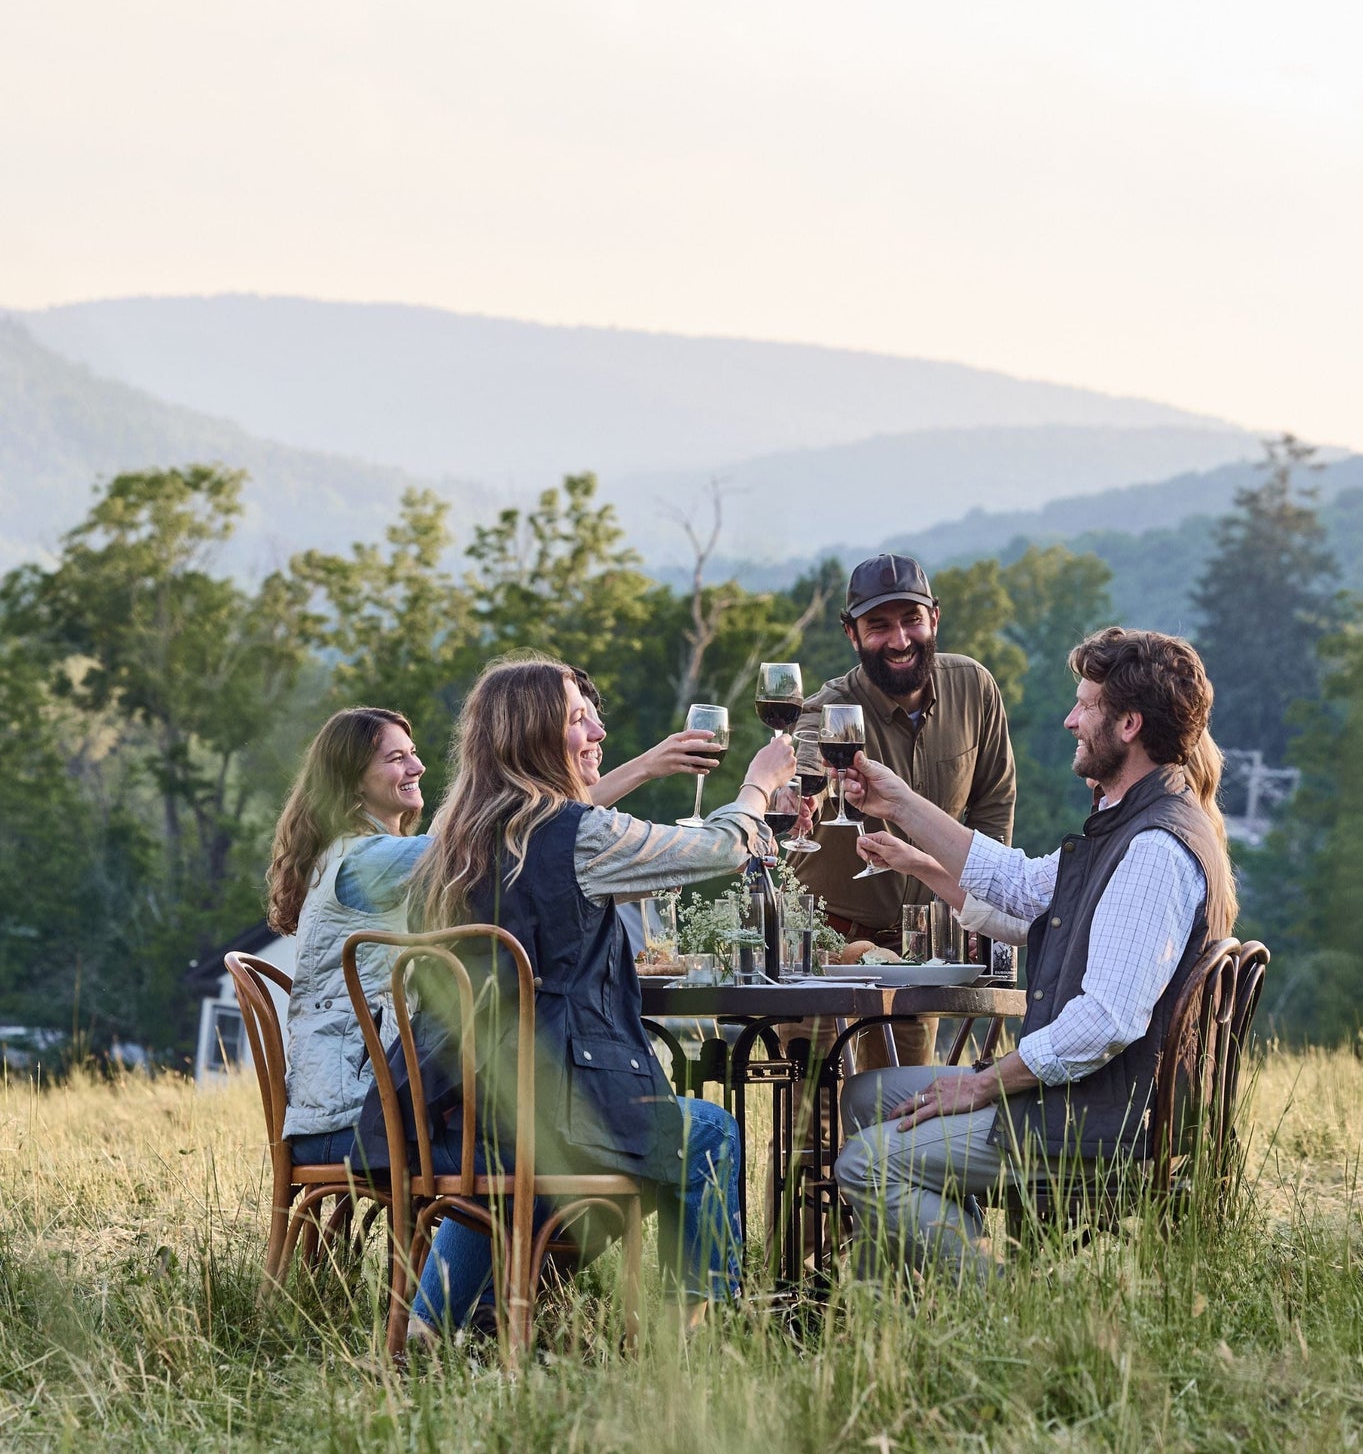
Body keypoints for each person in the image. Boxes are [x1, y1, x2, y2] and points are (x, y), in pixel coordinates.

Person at [371, 657, 797, 1337]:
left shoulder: (456, 836)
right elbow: (719, 850)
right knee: (707, 1132)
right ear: (536, 735)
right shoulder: (575, 836)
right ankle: (697, 1327)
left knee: (511, 1158)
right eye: (578, 718)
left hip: (455, 1116)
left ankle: (435, 1323)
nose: (598, 728)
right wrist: (759, 785)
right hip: (550, 1118)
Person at [832, 627, 1237, 1275]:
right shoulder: (1127, 825)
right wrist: (902, 806)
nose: (1071, 719)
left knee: (865, 1162)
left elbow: (1105, 1021)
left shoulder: (1154, 851)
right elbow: (1018, 889)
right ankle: (894, 1312)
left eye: (1086, 706)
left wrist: (985, 1084)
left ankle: (1003, 1313)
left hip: (1098, 1122)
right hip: (1086, 1098)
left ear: (1129, 724)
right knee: (865, 1096)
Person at [789, 552, 1016, 1072]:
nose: (899, 640)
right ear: (851, 633)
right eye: (878, 626)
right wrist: (796, 795)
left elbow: (993, 805)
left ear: (934, 617)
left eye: (911, 619)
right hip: (824, 943)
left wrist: (985, 907)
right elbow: (805, 766)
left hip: (919, 948)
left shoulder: (974, 688)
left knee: (903, 1113)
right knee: (808, 1118)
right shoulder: (829, 708)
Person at [267, 707, 428, 1167]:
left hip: (354, 1111)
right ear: (354, 780)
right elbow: (491, 840)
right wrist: (641, 770)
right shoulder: (370, 860)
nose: (416, 767)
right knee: (510, 1156)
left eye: (413, 753)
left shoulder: (352, 851)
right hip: (350, 1122)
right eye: (396, 758)